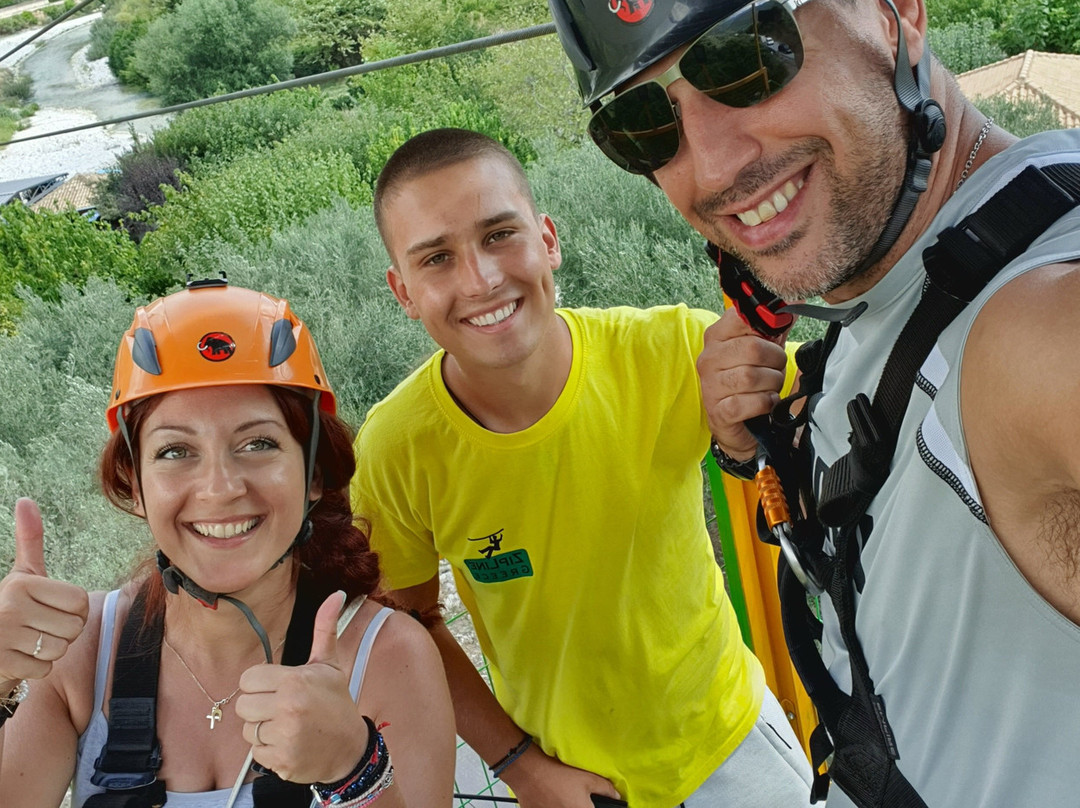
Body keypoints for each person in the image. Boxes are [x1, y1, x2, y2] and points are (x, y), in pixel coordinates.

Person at [548, 0, 1080, 807]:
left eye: (744, 59)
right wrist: (754, 446)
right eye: (644, 125)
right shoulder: (883, 296)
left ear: (893, 14)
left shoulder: (1039, 323)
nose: (713, 165)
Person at [350, 127, 812, 808]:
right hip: (567, 783)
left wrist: (756, 420)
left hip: (732, 746)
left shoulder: (674, 351)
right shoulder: (395, 448)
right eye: (437, 258)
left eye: (499, 235)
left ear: (548, 241)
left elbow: (831, 427)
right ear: (403, 291)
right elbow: (409, 622)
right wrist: (521, 767)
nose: (480, 279)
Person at [0, 280, 456, 807]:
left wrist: (353, 768)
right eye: (175, 451)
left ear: (313, 474)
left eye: (258, 443)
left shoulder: (387, 657)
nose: (219, 489)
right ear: (136, 484)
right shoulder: (80, 654)